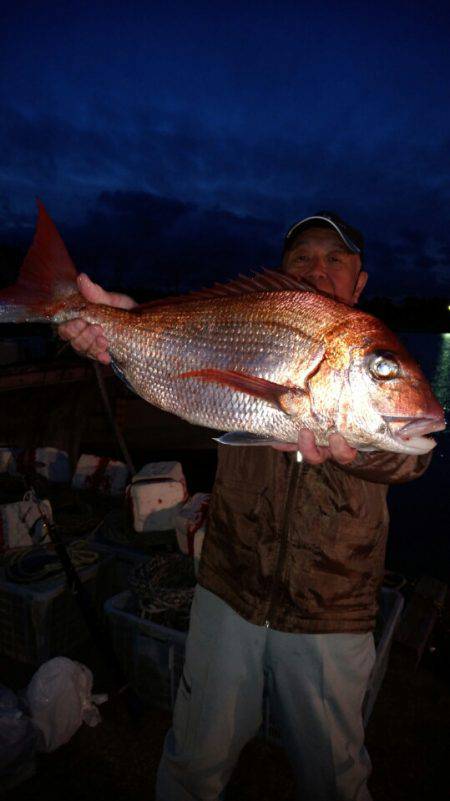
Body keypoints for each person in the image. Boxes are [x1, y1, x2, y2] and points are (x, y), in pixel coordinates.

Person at [59, 211, 432, 801]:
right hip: (228, 587)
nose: (318, 269)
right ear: (281, 274)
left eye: (335, 259)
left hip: (331, 607)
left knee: (334, 778)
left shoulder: (372, 347)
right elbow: (184, 377)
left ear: (360, 284)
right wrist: (125, 331)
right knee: (193, 762)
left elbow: (413, 458)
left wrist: (353, 453)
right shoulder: (262, 319)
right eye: (302, 258)